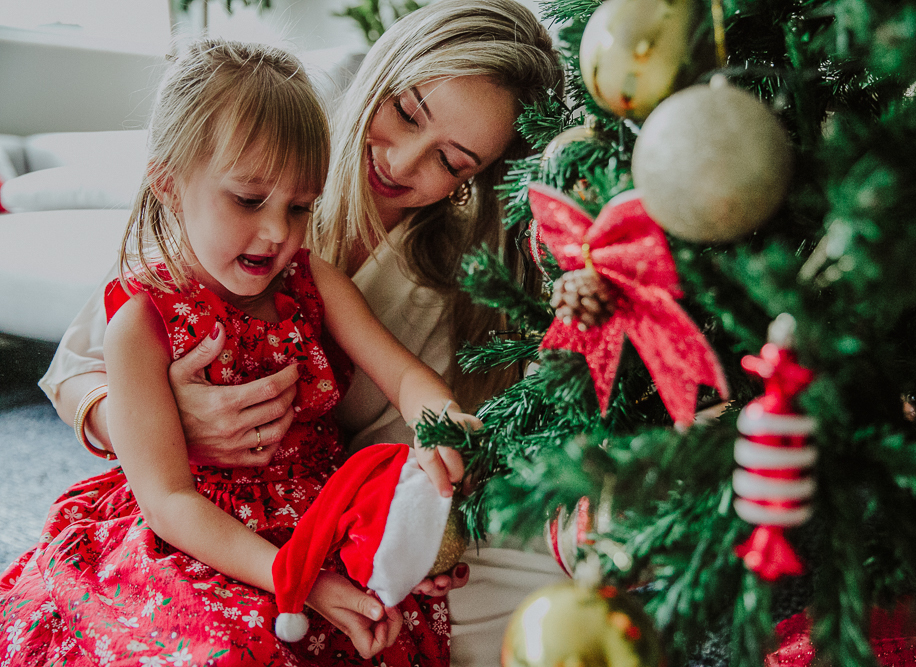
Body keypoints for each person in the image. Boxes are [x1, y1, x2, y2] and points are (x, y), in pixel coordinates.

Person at [38, 1, 569, 664]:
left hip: (325, 512)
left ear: (477, 178)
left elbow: (414, 404)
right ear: (381, 74)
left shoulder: (424, 279)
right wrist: (159, 422)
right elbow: (78, 367)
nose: (402, 162)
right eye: (406, 113)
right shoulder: (254, 164)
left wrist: (418, 529)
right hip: (205, 517)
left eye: (452, 161)